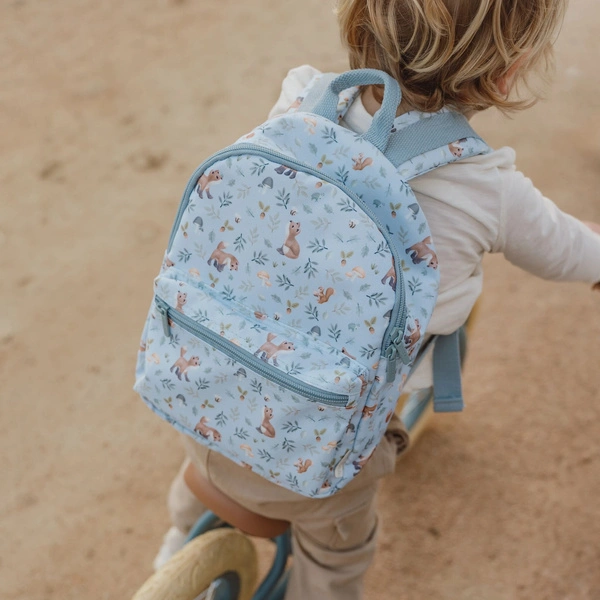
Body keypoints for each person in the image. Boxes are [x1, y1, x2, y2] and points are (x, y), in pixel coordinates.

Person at [150, 1, 600, 597]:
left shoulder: (301, 97)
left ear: (361, 19)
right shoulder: (487, 187)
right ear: (505, 73)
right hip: (321, 466)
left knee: (207, 465)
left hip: (202, 401)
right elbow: (565, 249)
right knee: (337, 554)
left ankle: (174, 551)